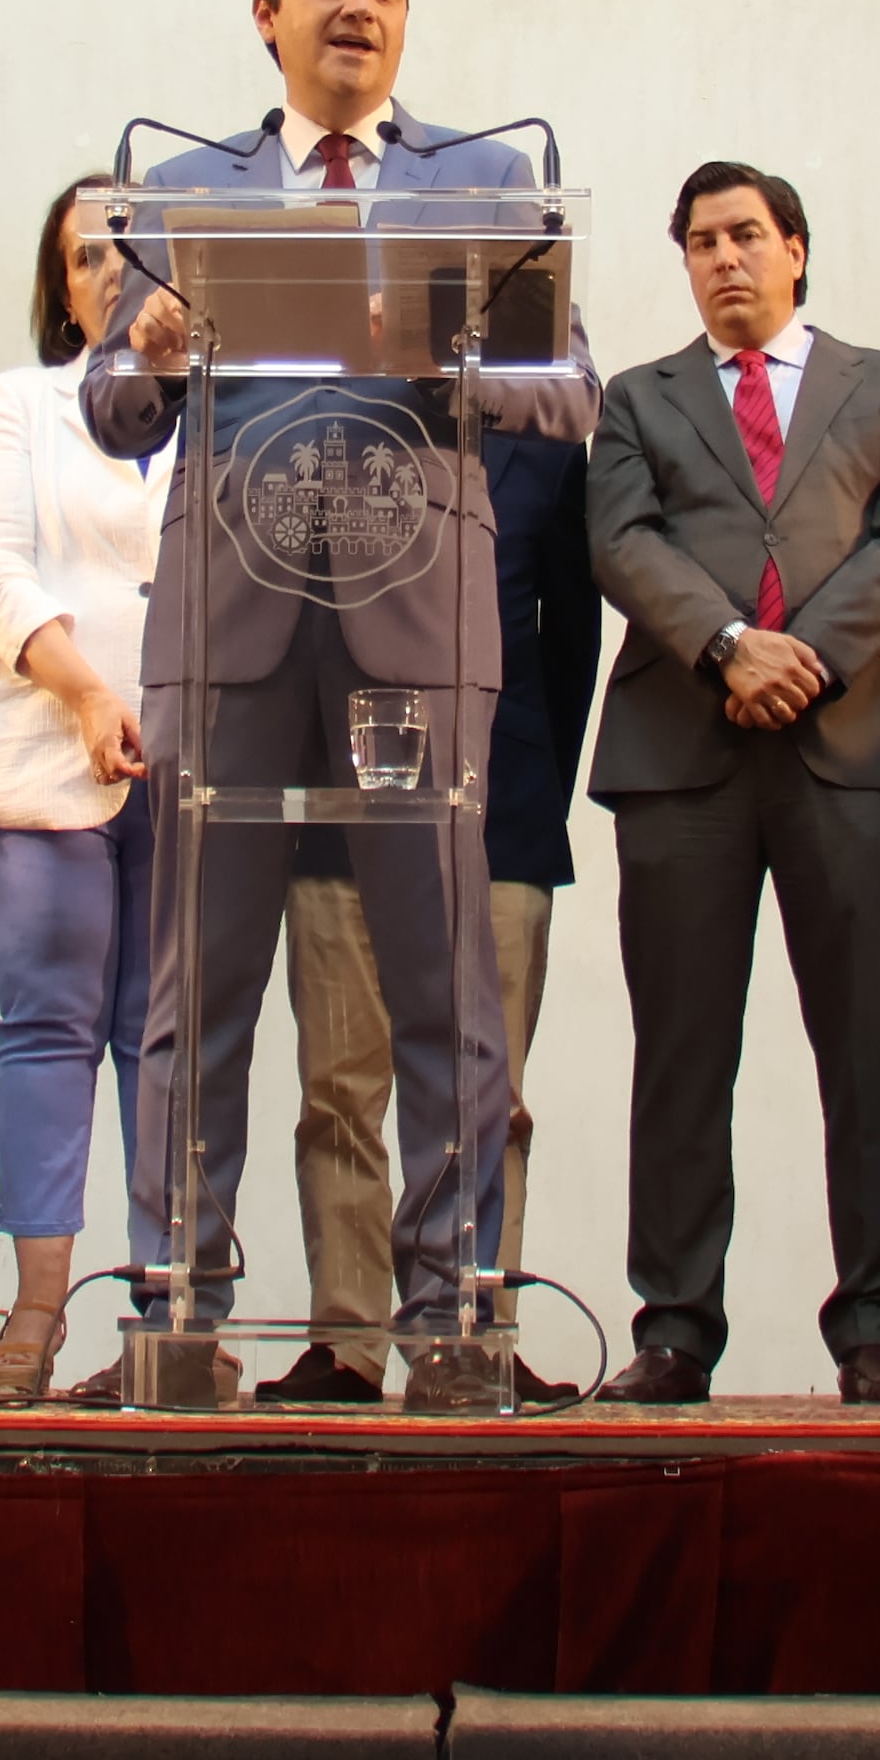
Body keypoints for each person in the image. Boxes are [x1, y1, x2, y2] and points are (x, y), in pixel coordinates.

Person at [82, 0, 594, 1401]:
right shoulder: (183, 190)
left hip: (415, 622)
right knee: (197, 987)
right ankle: (177, 1313)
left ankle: (452, 1320)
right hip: (228, 627)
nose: (356, 7)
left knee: (445, 991)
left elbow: (571, 394)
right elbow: (114, 409)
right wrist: (153, 352)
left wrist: (450, 347)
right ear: (269, 13)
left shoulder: (490, 181)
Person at [584, 161, 880, 1407]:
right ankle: (676, 1329)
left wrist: (805, 658)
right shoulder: (636, 398)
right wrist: (729, 647)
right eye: (699, 242)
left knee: (865, 1049)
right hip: (681, 750)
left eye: (746, 234)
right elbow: (620, 541)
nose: (723, 258)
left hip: (849, 742)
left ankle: (872, 1336)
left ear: (796, 248)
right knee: (682, 1053)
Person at [271, 410, 607, 1406]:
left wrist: (525, 776)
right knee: (339, 1090)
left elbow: (569, 643)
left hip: (499, 814)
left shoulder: (544, 449)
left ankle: (472, 1337)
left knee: (483, 1098)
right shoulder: (321, 438)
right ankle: (348, 1340)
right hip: (337, 806)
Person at [0, 176, 168, 1399]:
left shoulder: (226, 415)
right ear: (59, 284)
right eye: (86, 255)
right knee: (49, 1031)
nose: (111, 273)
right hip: (42, 755)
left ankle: (163, 1325)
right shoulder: (16, 405)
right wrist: (85, 691)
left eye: (133, 251)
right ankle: (33, 1315)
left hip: (193, 775)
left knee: (167, 1040)